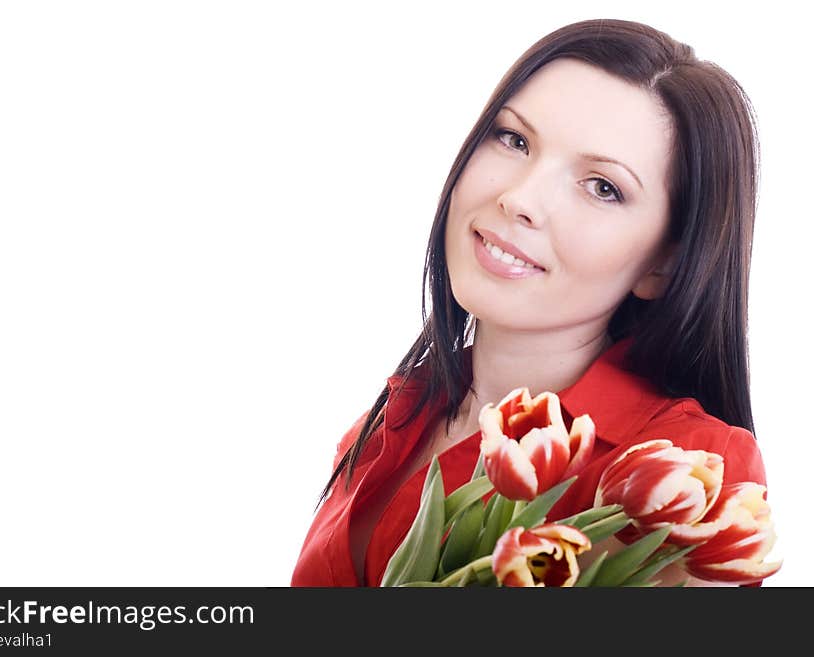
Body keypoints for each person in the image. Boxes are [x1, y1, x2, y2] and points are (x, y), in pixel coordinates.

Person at [291, 18, 768, 587]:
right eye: (514, 140)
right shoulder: (397, 414)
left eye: (602, 187)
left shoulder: (690, 468)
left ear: (664, 264)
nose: (519, 199)